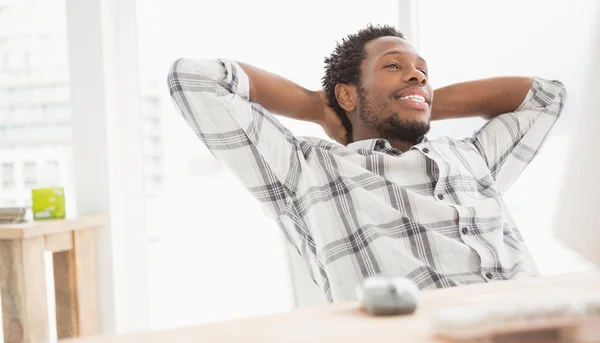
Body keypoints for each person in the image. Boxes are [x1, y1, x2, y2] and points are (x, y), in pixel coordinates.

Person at [168, 25, 566, 302]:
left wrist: (413, 101)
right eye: (394, 66)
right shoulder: (308, 170)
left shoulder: (470, 157)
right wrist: (317, 107)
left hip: (537, 332)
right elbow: (194, 79)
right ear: (346, 95)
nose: (416, 76)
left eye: (423, 73)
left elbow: (547, 97)